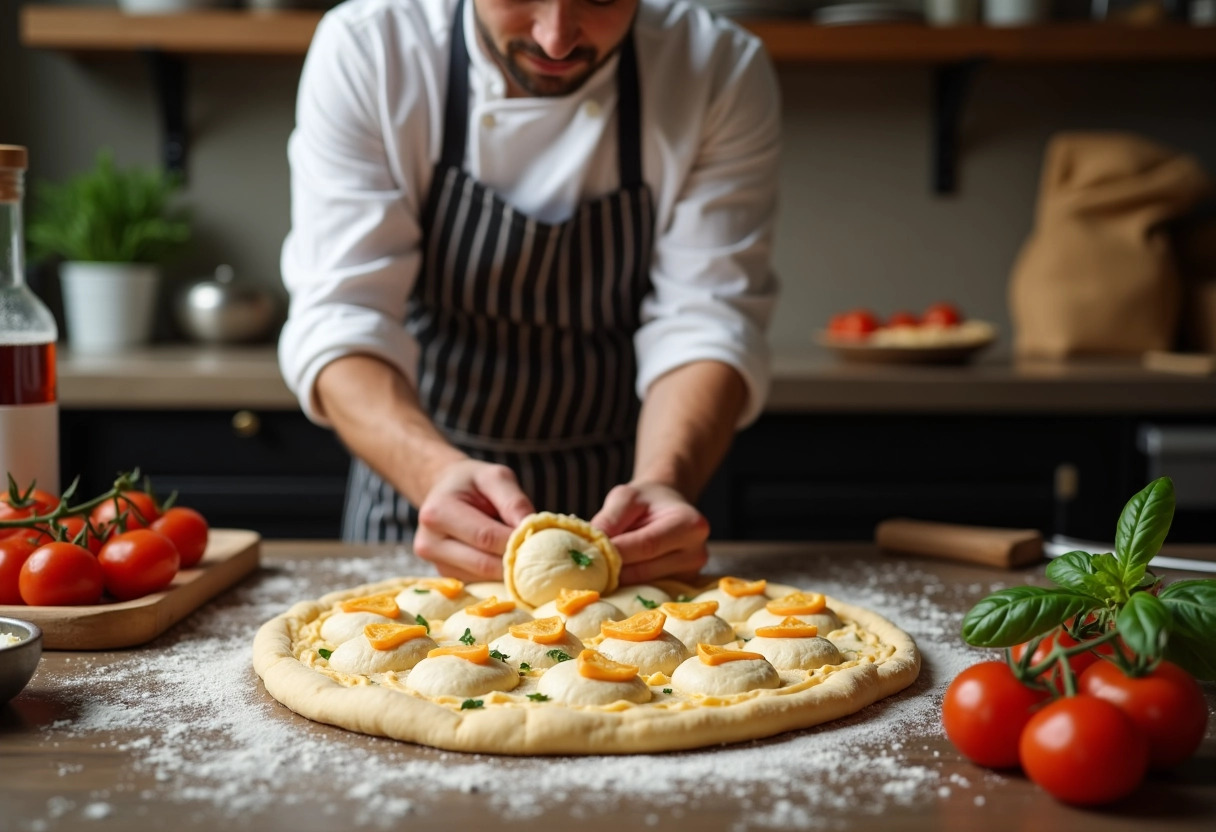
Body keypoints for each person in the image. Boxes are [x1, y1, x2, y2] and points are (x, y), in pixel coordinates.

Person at [278, 0, 780, 585]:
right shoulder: (374, 50)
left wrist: (665, 478)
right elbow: (343, 315)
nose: (557, 40)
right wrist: (431, 472)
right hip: (425, 499)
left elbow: (708, 319)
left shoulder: (716, 67)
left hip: (630, 513)